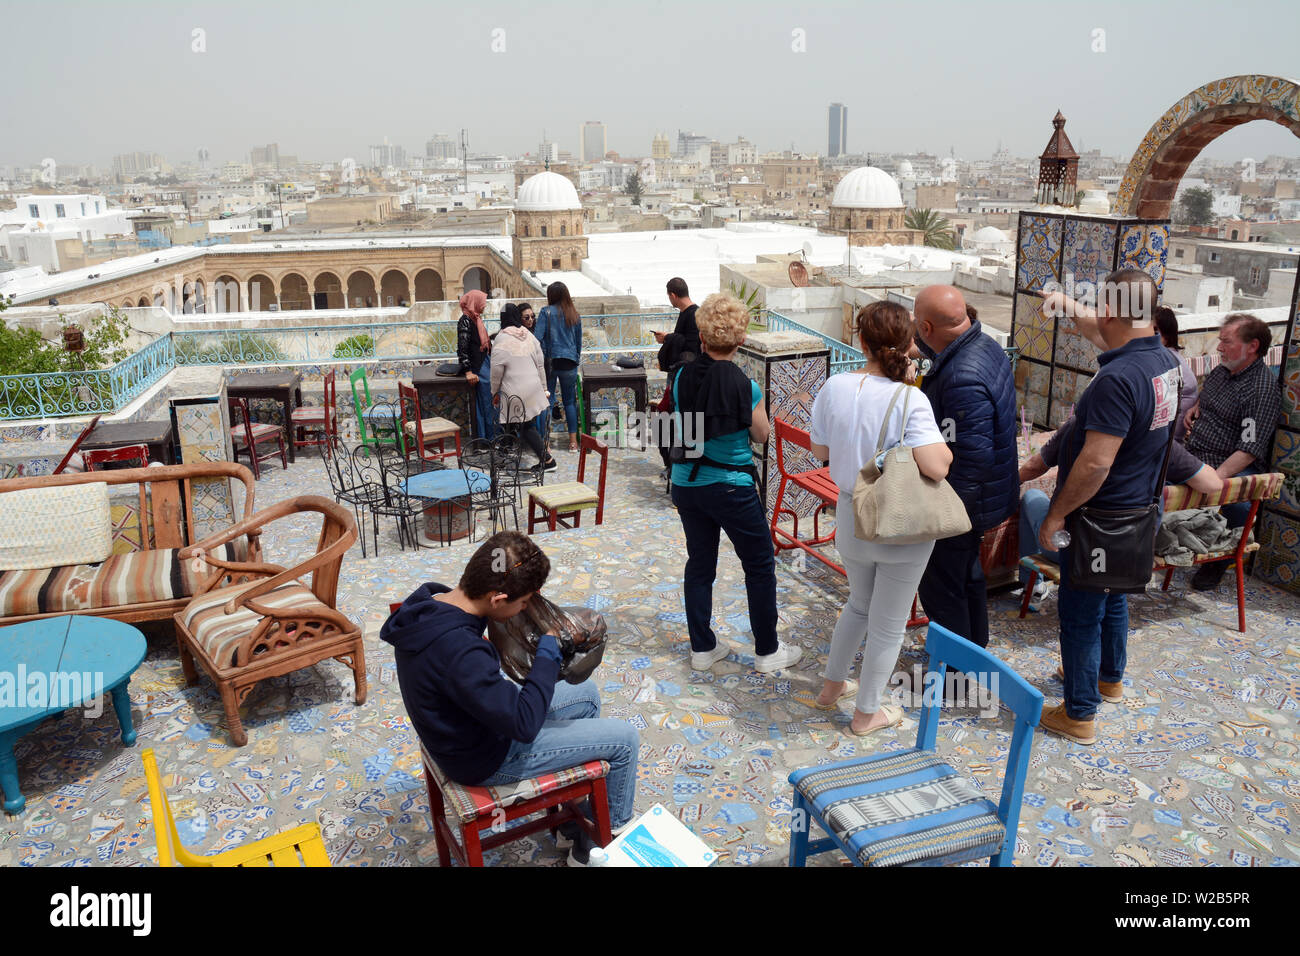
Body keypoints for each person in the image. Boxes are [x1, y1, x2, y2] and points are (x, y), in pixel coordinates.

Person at [381, 531, 640, 865]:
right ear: (497, 599)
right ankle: (602, 841)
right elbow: (524, 724)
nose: (526, 608)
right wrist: (548, 649)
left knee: (585, 694)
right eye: (523, 602)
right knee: (624, 740)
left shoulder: (432, 601)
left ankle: (573, 829)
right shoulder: (460, 651)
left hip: (463, 726)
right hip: (485, 758)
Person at [1035, 268, 1180, 745]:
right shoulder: (1164, 362)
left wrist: (1056, 514)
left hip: (1099, 518)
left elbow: (1096, 462)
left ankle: (1079, 714)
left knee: (1079, 613)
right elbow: (1102, 330)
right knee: (1113, 595)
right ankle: (1108, 679)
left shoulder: (1116, 379)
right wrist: (1064, 302)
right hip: (1138, 513)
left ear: (1114, 310)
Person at [809, 302, 953, 735]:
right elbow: (938, 466)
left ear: (861, 340)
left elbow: (821, 453)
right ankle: (866, 713)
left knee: (857, 605)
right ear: (909, 342)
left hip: (852, 514)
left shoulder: (834, 385)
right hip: (899, 525)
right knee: (889, 625)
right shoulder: (911, 398)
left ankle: (831, 688)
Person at [670, 292, 802, 674]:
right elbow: (761, 436)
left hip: (688, 483)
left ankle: (702, 648)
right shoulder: (748, 387)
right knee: (759, 565)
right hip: (731, 487)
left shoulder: (680, 378)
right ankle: (767, 651)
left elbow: (688, 430)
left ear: (703, 338)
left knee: (700, 563)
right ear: (741, 340)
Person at [913, 285, 1019, 650]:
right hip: (986, 498)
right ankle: (977, 651)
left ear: (926, 327)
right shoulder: (985, 344)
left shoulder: (961, 377)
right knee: (967, 576)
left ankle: (957, 672)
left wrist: (944, 517)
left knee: (942, 588)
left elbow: (972, 458)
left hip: (964, 503)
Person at [1017, 415, 1224, 598]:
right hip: (1132, 552)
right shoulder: (1157, 437)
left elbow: (1035, 466)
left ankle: (1032, 586)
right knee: (1114, 603)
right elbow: (1212, 483)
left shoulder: (1079, 425)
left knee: (1033, 497)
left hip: (1079, 552)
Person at [1182, 312, 1280, 591]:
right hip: (1197, 452)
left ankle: (1217, 562)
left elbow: (1248, 449)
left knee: (1236, 503)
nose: (1220, 347)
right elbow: (1211, 396)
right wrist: (1196, 406)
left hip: (1228, 463)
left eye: (1227, 341)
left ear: (1253, 346)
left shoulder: (1260, 388)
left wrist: (1214, 478)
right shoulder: (1223, 371)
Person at [491, 304, 558, 472]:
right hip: (533, 387)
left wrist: (494, 392)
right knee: (513, 422)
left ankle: (548, 461)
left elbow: (496, 370)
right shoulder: (527, 334)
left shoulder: (501, 339)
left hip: (515, 390)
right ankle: (504, 453)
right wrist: (544, 388)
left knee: (525, 426)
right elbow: (540, 363)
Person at [534, 282, 582, 452]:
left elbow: (536, 338)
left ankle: (545, 444)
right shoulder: (574, 314)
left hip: (550, 362)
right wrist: (575, 357)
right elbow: (578, 343)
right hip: (569, 362)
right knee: (569, 402)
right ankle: (573, 443)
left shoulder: (545, 312)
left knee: (547, 402)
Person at [456, 289, 498, 441]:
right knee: (486, 403)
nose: (484, 305)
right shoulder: (466, 320)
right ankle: (487, 438)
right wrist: (468, 371)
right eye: (482, 301)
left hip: (484, 364)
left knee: (488, 402)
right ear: (475, 302)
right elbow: (463, 347)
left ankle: (490, 437)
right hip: (478, 368)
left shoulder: (475, 319)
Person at [1153, 306, 1198, 441]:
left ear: (1166, 336)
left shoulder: (1165, 359)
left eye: (1155, 332)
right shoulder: (1168, 355)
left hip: (1167, 442)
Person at [653, 277, 701, 359]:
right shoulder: (685, 311)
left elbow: (691, 345)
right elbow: (682, 337)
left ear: (673, 295)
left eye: (669, 296)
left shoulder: (694, 314)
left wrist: (667, 337)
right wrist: (666, 338)